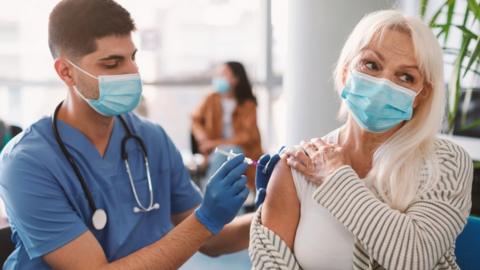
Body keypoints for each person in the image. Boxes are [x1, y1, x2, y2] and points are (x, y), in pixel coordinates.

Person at [0, 1, 280, 269]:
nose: (132, 72)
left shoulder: (150, 139)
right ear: (66, 72)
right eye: (112, 63)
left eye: (132, 57)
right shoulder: (26, 163)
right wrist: (205, 219)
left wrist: (280, 206)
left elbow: (212, 240)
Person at [249, 10, 473, 270]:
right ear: (346, 73)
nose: (383, 84)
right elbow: (270, 264)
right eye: (372, 65)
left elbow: (415, 257)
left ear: (421, 95)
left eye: (405, 77)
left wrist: (336, 177)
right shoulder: (297, 166)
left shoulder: (445, 162)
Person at [191, 61, 263, 190]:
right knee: (224, 159)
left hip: (242, 152)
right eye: (218, 75)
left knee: (230, 153)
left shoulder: (248, 104)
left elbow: (246, 136)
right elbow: (195, 120)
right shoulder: (211, 99)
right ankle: (224, 201)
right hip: (213, 153)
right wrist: (201, 136)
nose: (218, 79)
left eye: (223, 75)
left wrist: (215, 144)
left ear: (235, 79)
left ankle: (209, 193)